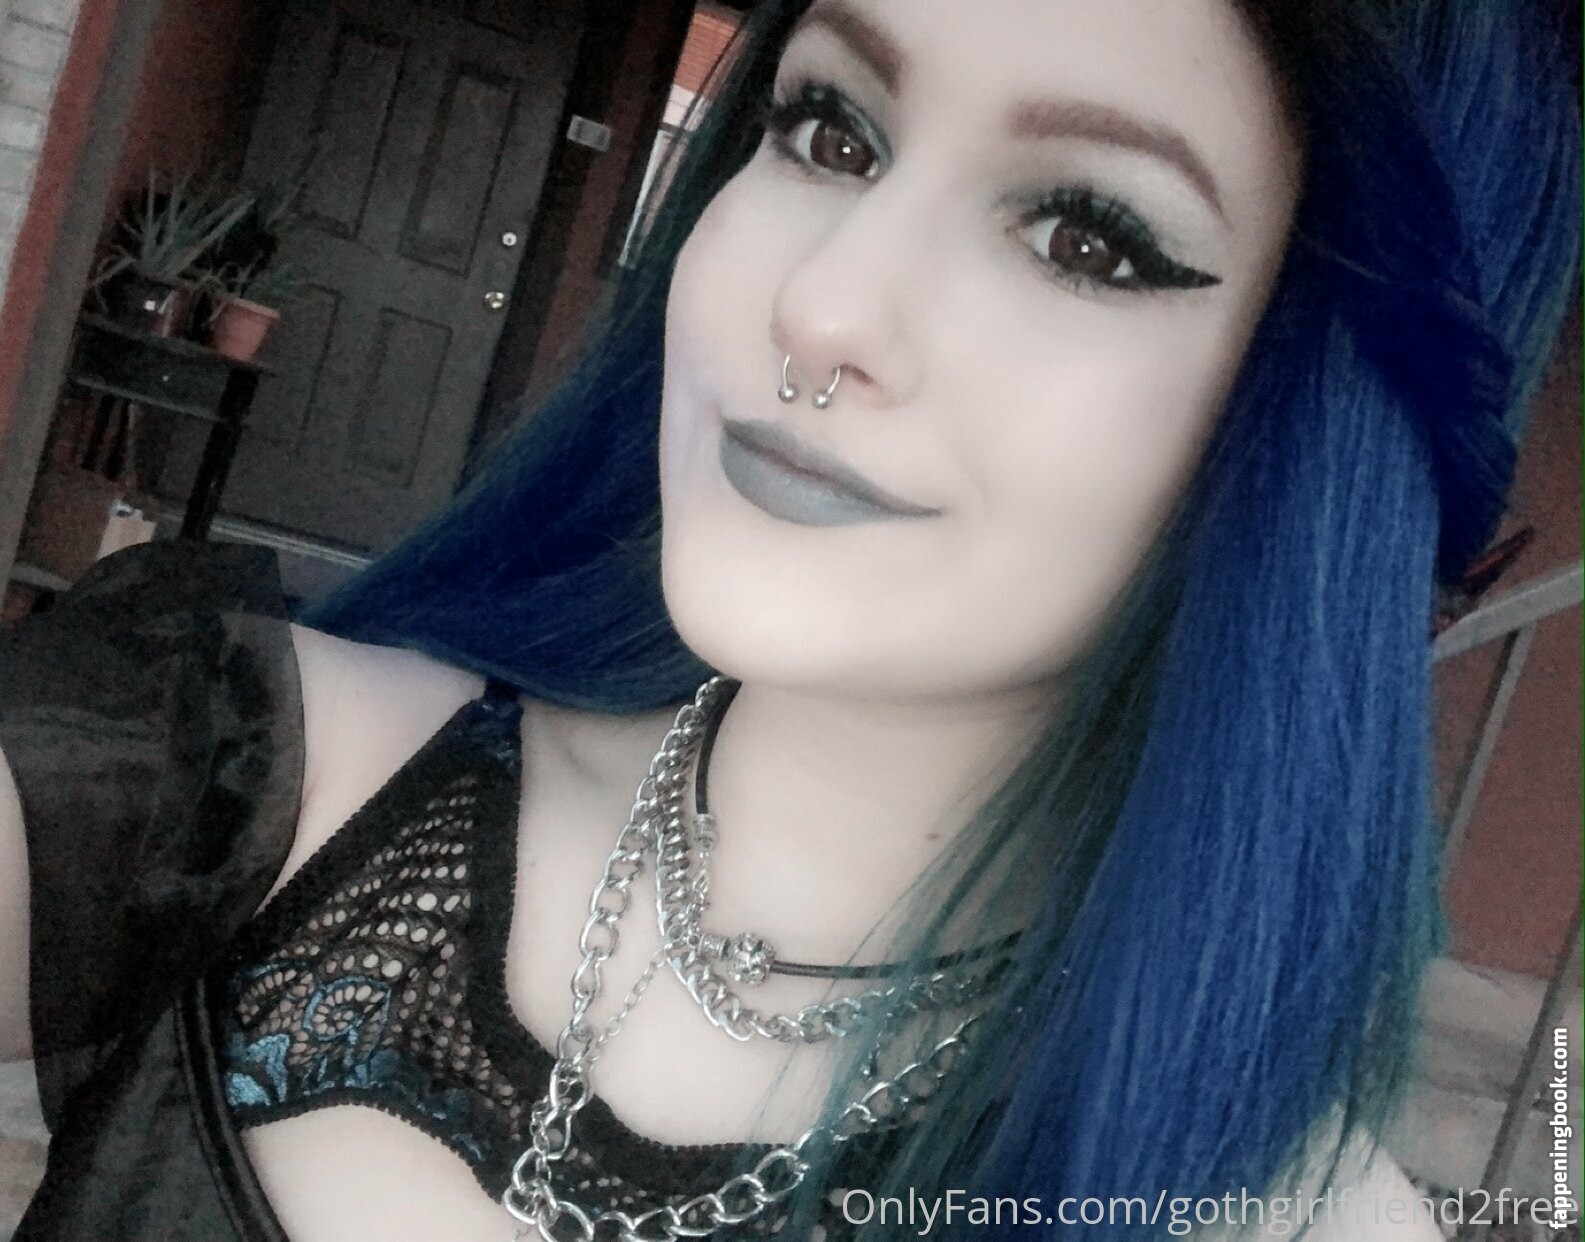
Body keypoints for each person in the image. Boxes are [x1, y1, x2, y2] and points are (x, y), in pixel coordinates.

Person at [0, 0, 1578, 1238]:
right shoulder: (235, 756)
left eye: (1084, 235)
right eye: (831, 129)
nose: (820, 307)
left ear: (1310, 434)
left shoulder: (1286, 1217)